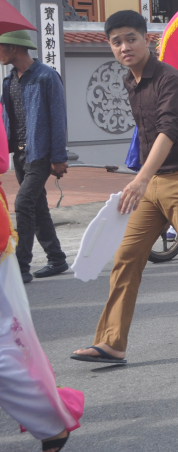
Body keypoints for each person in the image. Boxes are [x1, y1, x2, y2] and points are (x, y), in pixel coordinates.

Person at [72, 10, 178, 365]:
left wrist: (140, 178)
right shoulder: (131, 81)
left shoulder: (168, 77)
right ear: (110, 48)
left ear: (146, 39)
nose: (124, 47)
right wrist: (154, 173)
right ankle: (112, 343)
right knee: (126, 258)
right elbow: (155, 130)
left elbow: (169, 128)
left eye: (131, 38)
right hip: (153, 183)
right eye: (116, 42)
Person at [0, 103, 81, 451]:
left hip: (35, 162)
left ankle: (49, 417)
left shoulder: (45, 77)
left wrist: (56, 157)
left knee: (7, 344)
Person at [0, 30, 69, 284]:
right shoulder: (9, 80)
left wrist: (59, 156)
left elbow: (58, 118)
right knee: (37, 205)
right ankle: (57, 258)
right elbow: (5, 117)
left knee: (23, 203)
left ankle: (21, 266)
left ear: (14, 49)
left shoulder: (46, 77)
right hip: (19, 153)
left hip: (40, 152)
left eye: (1, 48)